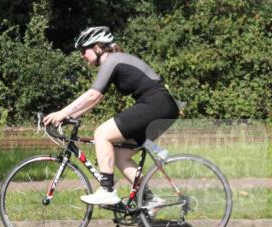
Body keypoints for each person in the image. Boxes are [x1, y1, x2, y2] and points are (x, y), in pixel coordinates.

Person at [42, 26, 180, 205]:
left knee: (102, 134)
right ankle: (150, 199)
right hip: (162, 106)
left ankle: (107, 190)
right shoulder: (114, 61)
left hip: (156, 104)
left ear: (98, 48)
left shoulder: (112, 60)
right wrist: (69, 116)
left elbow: (93, 95)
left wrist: (61, 113)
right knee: (120, 155)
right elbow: (94, 100)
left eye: (84, 50)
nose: (82, 55)